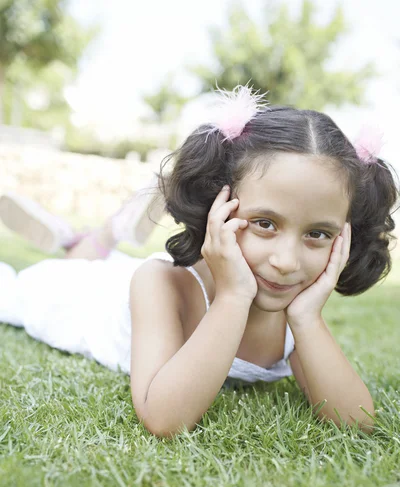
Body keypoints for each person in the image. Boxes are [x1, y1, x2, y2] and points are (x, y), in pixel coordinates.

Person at [0, 85, 397, 439]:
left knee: (97, 261)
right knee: (34, 284)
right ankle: (96, 239)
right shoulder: (159, 283)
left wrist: (309, 317)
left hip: (121, 279)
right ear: (215, 210)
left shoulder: (295, 307)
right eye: (264, 224)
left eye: (318, 234)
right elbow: (164, 419)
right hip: (87, 299)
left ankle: (94, 238)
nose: (286, 261)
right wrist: (232, 298)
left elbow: (355, 423)